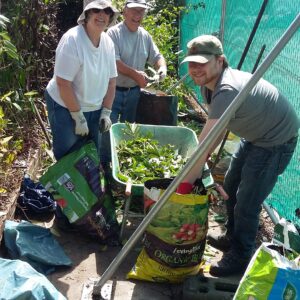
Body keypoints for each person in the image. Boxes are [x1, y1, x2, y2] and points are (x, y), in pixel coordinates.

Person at [179, 35, 299, 276]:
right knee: (232, 183)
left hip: (275, 140)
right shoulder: (209, 85)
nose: (195, 68)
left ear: (220, 61)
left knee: (247, 201)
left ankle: (241, 255)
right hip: (256, 135)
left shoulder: (226, 88)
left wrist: (181, 187)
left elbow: (203, 146)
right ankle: (231, 237)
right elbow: (218, 127)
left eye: (202, 62)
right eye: (191, 62)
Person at [45, 0, 119, 161]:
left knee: (91, 153)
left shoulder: (108, 43)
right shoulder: (72, 39)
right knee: (68, 154)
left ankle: (88, 185)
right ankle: (62, 184)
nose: (102, 15)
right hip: (64, 104)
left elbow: (112, 82)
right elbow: (63, 83)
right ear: (87, 15)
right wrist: (78, 117)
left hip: (94, 106)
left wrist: (106, 112)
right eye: (96, 11)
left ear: (110, 17)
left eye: (106, 11)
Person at [100, 0, 167, 165]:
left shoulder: (145, 36)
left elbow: (157, 57)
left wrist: (162, 69)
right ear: (125, 12)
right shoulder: (113, 34)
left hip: (134, 93)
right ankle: (105, 165)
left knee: (128, 129)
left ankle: (122, 162)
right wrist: (136, 75)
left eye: (141, 12)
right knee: (107, 129)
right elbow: (114, 62)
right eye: (134, 11)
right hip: (113, 92)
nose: (138, 16)